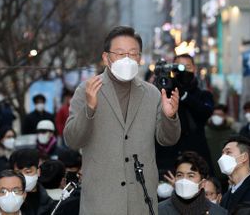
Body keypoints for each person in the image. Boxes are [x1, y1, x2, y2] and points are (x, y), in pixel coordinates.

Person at [63, 26, 181, 215]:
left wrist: (170, 116)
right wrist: (90, 109)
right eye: (120, 53)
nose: (127, 59)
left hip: (141, 200)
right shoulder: (87, 90)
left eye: (133, 53)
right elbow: (72, 140)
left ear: (140, 58)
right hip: (101, 202)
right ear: (106, 57)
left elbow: (167, 139)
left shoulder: (151, 93)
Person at [156, 53, 214, 174]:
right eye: (179, 67)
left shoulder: (203, 95)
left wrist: (184, 96)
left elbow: (205, 112)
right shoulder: (164, 95)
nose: (183, 71)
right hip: (168, 157)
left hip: (196, 156)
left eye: (187, 67)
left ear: (194, 68)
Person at [158, 151, 227, 215]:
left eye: (190, 176)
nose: (184, 180)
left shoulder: (219, 212)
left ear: (202, 183)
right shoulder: (158, 210)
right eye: (179, 175)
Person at [217, 135, 250, 212]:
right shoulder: (225, 197)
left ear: (244, 157)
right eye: (222, 153)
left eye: (228, 152)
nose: (223, 157)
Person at [9, 148, 54, 215]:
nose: (23, 177)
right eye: (18, 173)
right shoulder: (6, 201)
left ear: (38, 172)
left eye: (28, 172)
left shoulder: (50, 201)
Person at [205, 104, 236, 180]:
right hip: (209, 172)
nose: (217, 117)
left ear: (225, 116)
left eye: (219, 115)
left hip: (227, 174)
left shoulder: (231, 132)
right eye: (215, 114)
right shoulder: (205, 131)